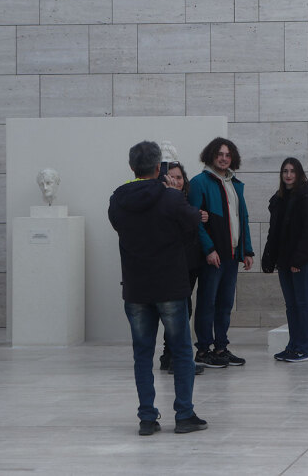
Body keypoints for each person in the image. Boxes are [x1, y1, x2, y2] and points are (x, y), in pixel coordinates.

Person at [108, 141, 208, 435]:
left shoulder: (117, 199)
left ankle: (147, 419)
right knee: (180, 351)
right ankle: (184, 414)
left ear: (131, 168)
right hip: (171, 286)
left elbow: (118, 226)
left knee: (142, 354)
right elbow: (192, 226)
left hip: (136, 287)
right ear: (157, 168)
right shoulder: (171, 198)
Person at [188, 137, 254, 368]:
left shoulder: (235, 184)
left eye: (228, 155)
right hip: (213, 256)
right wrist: (209, 249)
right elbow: (196, 222)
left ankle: (221, 348)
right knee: (207, 303)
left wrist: (247, 250)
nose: (224, 158)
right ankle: (204, 350)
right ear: (211, 155)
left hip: (232, 254)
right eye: (220, 154)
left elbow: (242, 219)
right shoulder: (199, 182)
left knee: (225, 304)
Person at [261, 158, 308, 362]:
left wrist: (298, 260)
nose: (288, 175)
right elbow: (274, 233)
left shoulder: (306, 196)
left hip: (300, 261)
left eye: (292, 171)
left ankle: (306, 347)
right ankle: (294, 345)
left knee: (302, 303)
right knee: (291, 305)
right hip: (284, 260)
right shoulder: (279, 199)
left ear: (299, 173)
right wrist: (269, 257)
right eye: (285, 171)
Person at [159, 160, 206, 376]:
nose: (176, 181)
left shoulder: (185, 202)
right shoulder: (163, 202)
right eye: (172, 177)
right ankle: (172, 358)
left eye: (179, 177)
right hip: (172, 267)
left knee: (184, 311)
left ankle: (170, 357)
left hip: (189, 266)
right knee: (176, 313)